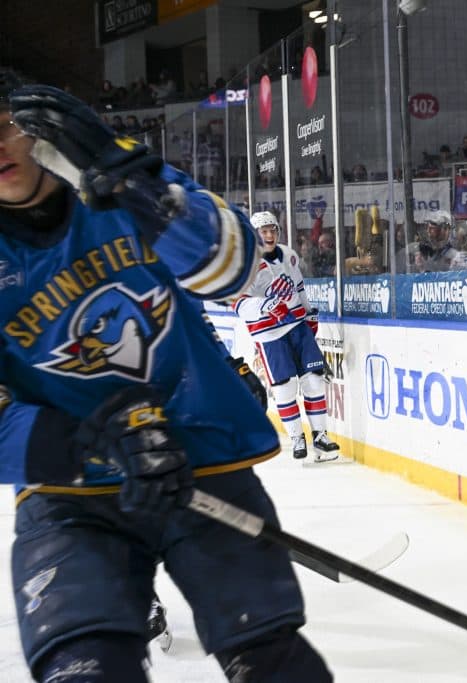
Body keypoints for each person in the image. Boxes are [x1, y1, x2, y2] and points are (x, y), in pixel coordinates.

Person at [0, 84, 332, 682]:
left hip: (201, 458)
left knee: (276, 665)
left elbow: (236, 269)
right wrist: (89, 443)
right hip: (70, 497)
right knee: (85, 669)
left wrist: (143, 190)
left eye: (2, 126)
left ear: (37, 127)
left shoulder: (118, 187)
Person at [233, 211, 344, 463]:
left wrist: (308, 313)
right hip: (269, 333)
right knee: (284, 388)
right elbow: (238, 304)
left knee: (314, 381)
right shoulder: (244, 265)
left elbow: (299, 286)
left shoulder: (290, 255)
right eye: (264, 231)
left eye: (273, 230)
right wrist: (267, 305)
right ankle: (296, 437)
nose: (269, 235)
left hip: (297, 326)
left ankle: (320, 436)